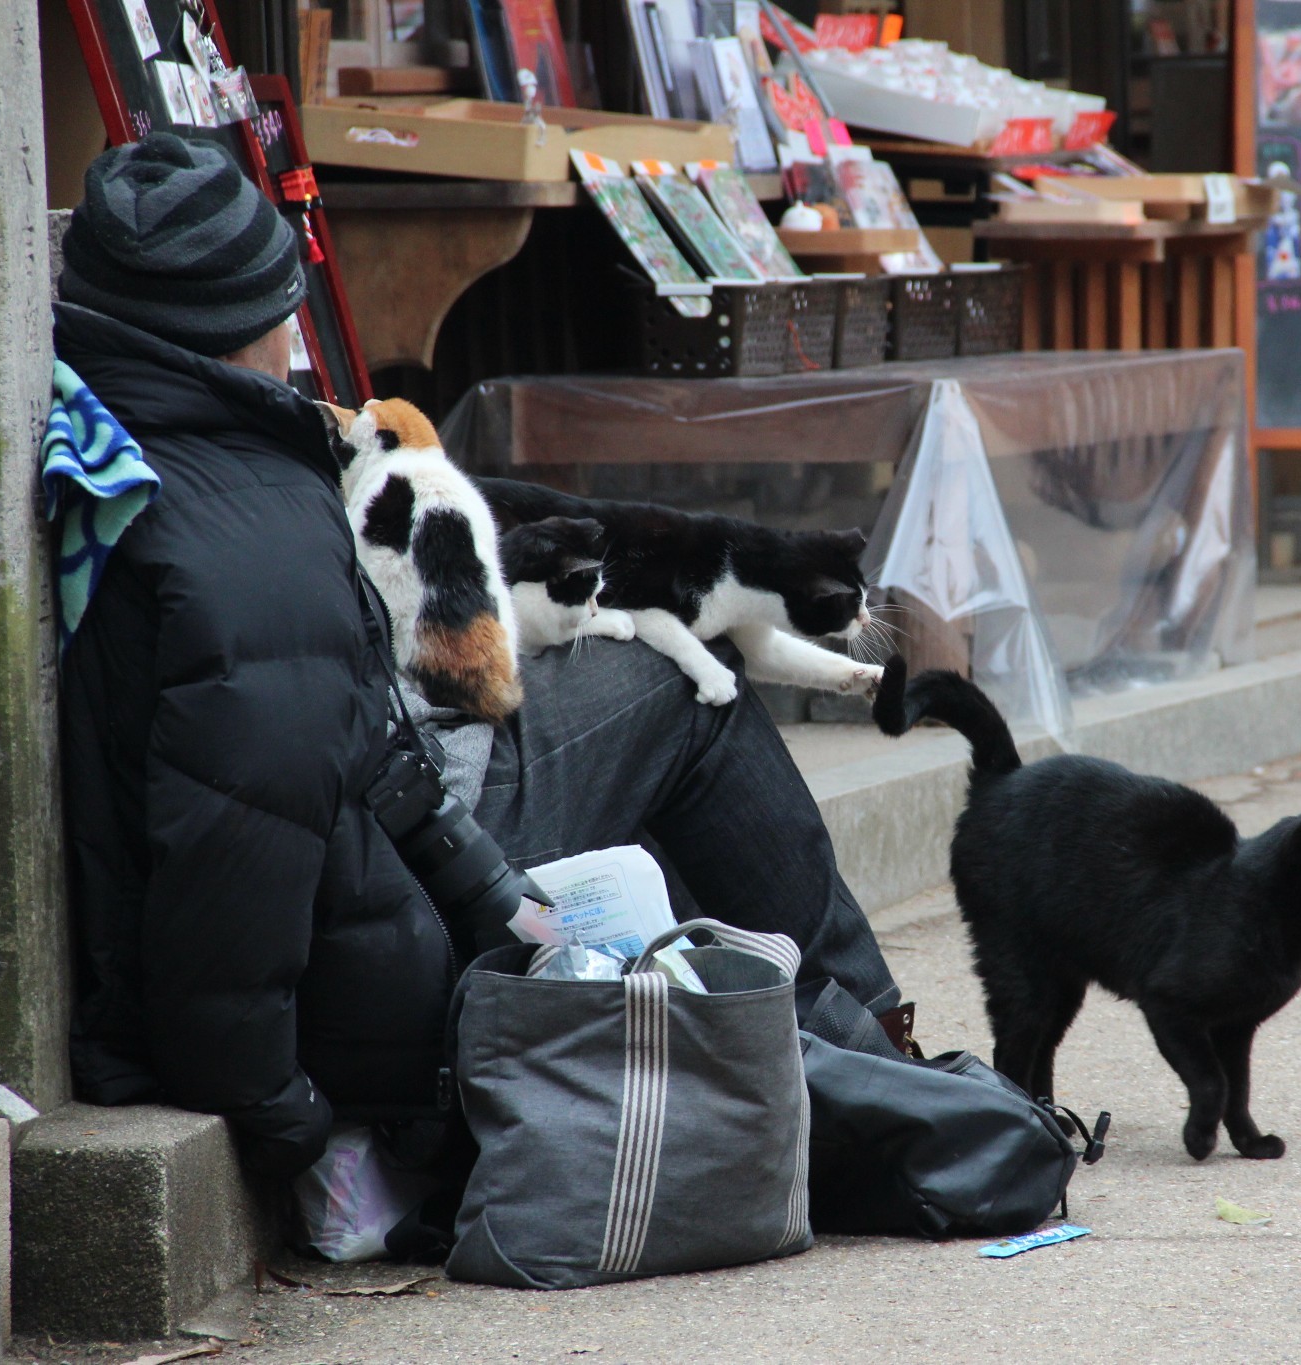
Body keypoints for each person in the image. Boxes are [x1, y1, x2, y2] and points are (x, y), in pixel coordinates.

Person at [55, 133, 899, 1179]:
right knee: (684, 690)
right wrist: (286, 1125)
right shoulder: (248, 535)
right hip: (379, 972)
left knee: (663, 693)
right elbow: (237, 868)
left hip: (379, 884)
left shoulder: (139, 442)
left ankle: (847, 1050)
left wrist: (486, 879)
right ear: (256, 322)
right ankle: (875, 1045)